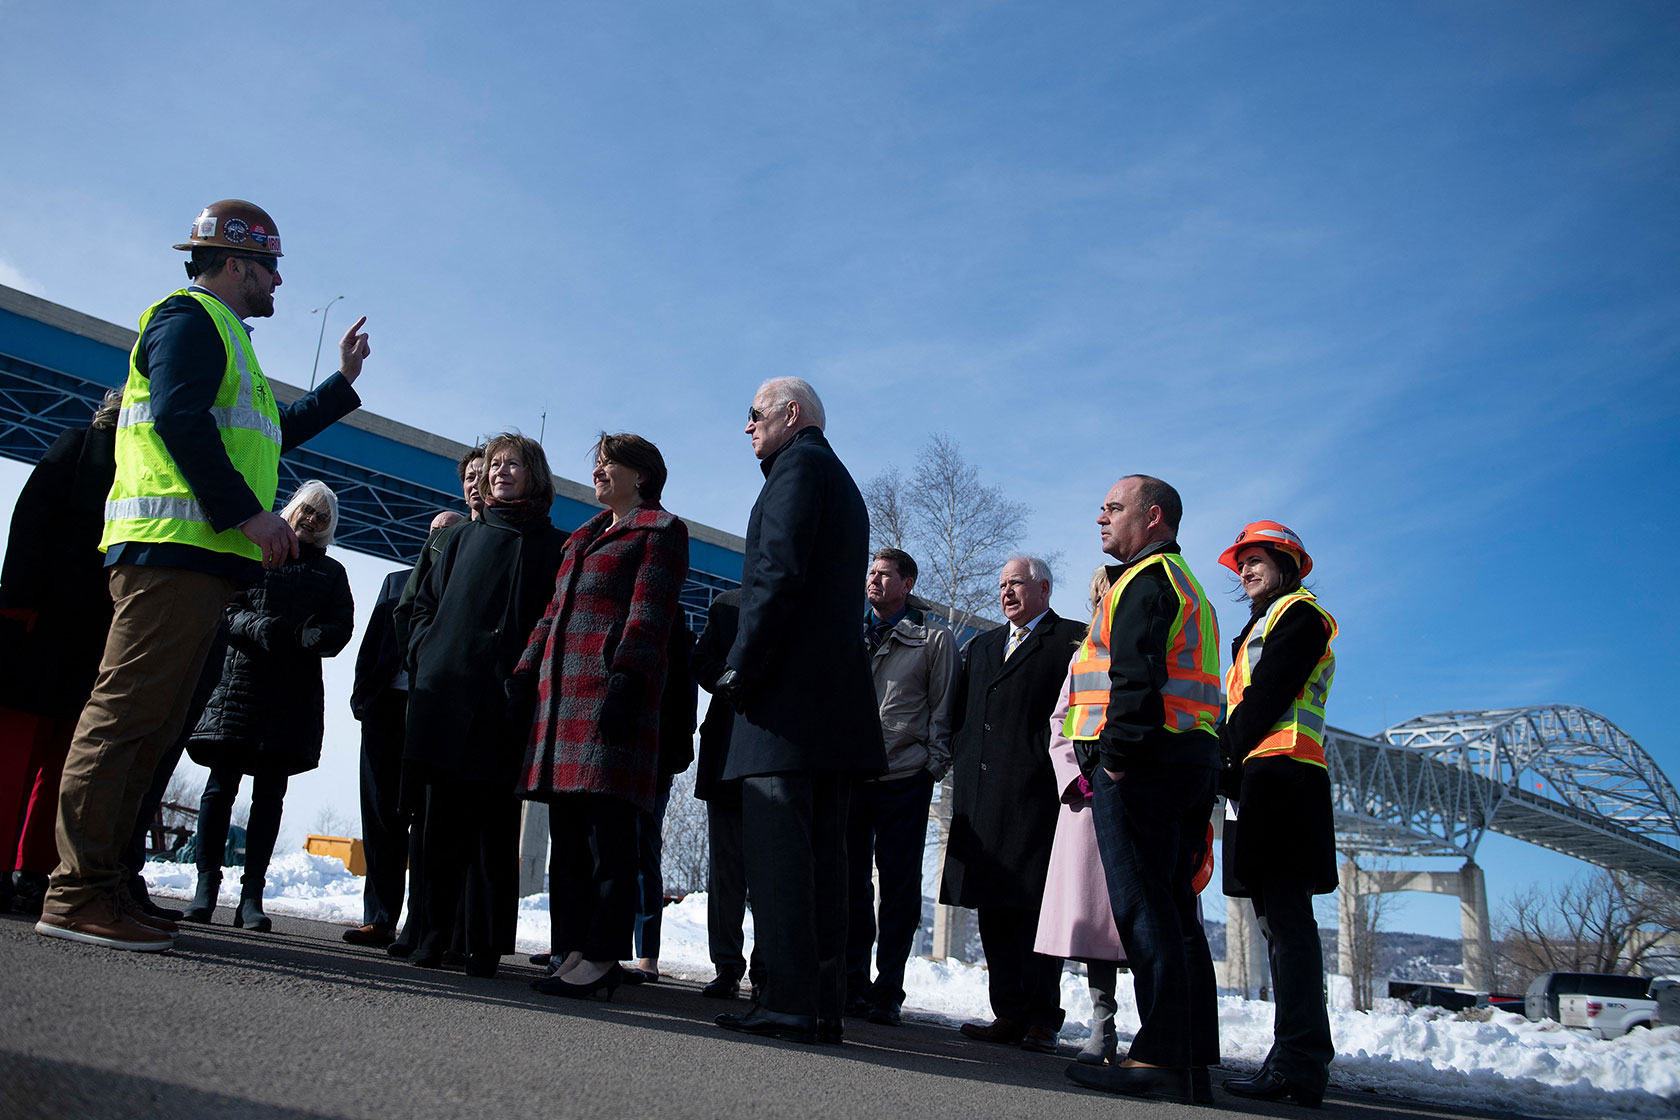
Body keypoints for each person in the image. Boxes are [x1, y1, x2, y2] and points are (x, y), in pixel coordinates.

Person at [36, 199, 368, 953]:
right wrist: (247, 515)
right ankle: (75, 890)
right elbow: (180, 422)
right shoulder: (188, 320)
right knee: (124, 719)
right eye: (272, 268)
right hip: (169, 552)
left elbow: (268, 429)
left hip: (201, 559)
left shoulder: (231, 342)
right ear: (236, 263)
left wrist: (342, 384)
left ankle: (109, 883)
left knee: (153, 727)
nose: (279, 284)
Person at [711, 377, 885, 1045]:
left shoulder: (796, 470)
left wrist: (740, 667)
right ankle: (817, 1005)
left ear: (790, 415)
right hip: (830, 712)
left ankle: (786, 1001)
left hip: (785, 708)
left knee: (781, 857)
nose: (747, 428)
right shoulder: (837, 478)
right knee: (824, 865)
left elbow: (776, 576)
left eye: (753, 415)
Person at [1063, 475, 1221, 1105]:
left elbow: (1135, 677)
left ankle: (1157, 1058)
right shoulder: (1190, 587)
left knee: (1145, 910)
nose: (1101, 517)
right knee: (1176, 913)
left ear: (1154, 518)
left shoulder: (1144, 583)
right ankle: (1187, 1062)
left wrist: (1118, 761)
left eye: (1115, 508)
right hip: (1186, 760)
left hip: (1144, 767)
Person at [514, 433, 689, 1000]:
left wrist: (626, 681)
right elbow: (553, 614)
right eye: (596, 463)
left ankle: (602, 956)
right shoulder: (581, 539)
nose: (596, 472)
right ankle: (569, 948)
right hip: (561, 701)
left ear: (640, 475)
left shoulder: (661, 532)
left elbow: (649, 615)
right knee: (566, 835)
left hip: (612, 697)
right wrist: (523, 673)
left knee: (607, 837)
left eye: (607, 464)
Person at [404, 432, 566, 977]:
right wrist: (427, 652)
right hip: (448, 693)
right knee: (441, 823)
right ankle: (431, 935)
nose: (499, 472)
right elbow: (422, 606)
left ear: (534, 473)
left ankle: (484, 945)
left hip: (507, 701)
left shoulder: (555, 546)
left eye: (512, 464)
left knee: (494, 827)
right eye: (494, 465)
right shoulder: (457, 540)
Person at [181, 481, 355, 930]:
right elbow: (227, 608)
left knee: (270, 797)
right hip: (240, 683)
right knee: (219, 789)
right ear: (293, 509)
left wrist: (311, 638)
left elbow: (340, 628)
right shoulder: (254, 550)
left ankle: (252, 895)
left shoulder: (332, 574)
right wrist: (266, 629)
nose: (312, 520)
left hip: (291, 696)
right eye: (308, 511)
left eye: (322, 517)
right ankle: (206, 886)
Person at [1215, 521, 1339, 1108]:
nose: (1245, 570)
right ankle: (1292, 1055)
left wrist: (1218, 753)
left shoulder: (1301, 617)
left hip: (1288, 780)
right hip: (1261, 783)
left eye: (1257, 559)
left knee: (1288, 926)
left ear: (1288, 564)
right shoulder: (1258, 625)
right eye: (1241, 562)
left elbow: (1267, 696)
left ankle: (1300, 1061)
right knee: (1277, 925)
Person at [942, 556, 1085, 1053]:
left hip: (1040, 797)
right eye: (1001, 585)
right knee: (993, 906)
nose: (1006, 593)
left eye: (1016, 584)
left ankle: (1043, 1016)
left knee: (1038, 909)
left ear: (1043, 588)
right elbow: (962, 715)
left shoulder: (1073, 639)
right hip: (981, 798)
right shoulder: (981, 646)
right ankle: (1008, 1011)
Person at [0, 390, 121, 916]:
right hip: (41, 627)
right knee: (25, 756)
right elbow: (27, 529)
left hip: (78, 633)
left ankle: (34, 870)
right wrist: (16, 609)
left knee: (60, 761)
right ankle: (19, 867)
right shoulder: (75, 447)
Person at [844, 548, 956, 1027]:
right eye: (870, 571)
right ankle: (849, 983)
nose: (874, 579)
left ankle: (887, 987)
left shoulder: (934, 639)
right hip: (850, 775)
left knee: (899, 889)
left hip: (904, 778)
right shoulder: (850, 631)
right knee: (849, 886)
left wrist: (931, 766)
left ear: (907, 584)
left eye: (885, 573)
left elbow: (944, 708)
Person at [1034, 567, 1128, 1066]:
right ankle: (1102, 1028)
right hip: (1088, 801)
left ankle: (1162, 1031)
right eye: (1099, 594)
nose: (1104, 599)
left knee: (1141, 917)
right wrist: (1073, 776)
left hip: (1135, 794)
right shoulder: (1082, 657)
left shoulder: (1144, 644)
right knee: (1095, 922)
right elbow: (1061, 721)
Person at [690, 589, 764, 1001]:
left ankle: (766, 971)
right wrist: (725, 678)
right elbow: (700, 661)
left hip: (774, 753)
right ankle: (726, 967)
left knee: (770, 875)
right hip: (725, 751)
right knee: (726, 875)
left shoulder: (799, 600)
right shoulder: (725, 605)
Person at [343, 554, 418, 948]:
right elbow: (371, 643)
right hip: (385, 707)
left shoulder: (463, 582)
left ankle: (420, 926)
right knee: (379, 815)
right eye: (434, 533)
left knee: (423, 821)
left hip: (431, 710)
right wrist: (362, 699)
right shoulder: (394, 581)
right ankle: (379, 919)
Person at [622, 617, 698, 985]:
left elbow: (684, 701)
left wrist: (672, 758)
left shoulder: (676, 630)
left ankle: (646, 955)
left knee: (643, 851)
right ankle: (579, 945)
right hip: (613, 747)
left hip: (654, 757)